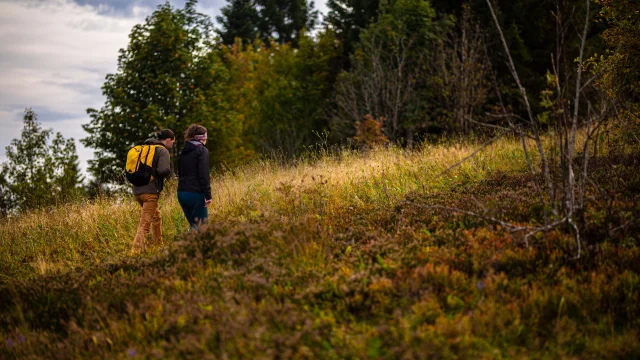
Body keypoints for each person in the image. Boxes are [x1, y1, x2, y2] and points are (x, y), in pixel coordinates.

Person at [131, 129, 175, 254]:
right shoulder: (162, 151)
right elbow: (163, 170)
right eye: (173, 142)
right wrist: (168, 172)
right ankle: (134, 252)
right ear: (168, 140)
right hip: (150, 192)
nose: (172, 144)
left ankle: (158, 245)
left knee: (156, 216)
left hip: (137, 191)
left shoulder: (144, 149)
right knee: (144, 224)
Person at [177, 124, 212, 232]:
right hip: (195, 194)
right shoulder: (202, 150)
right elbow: (204, 175)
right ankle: (182, 247)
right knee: (202, 228)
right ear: (203, 137)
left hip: (181, 193)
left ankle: (183, 247)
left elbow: (180, 173)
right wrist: (208, 195)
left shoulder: (183, 151)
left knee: (194, 227)